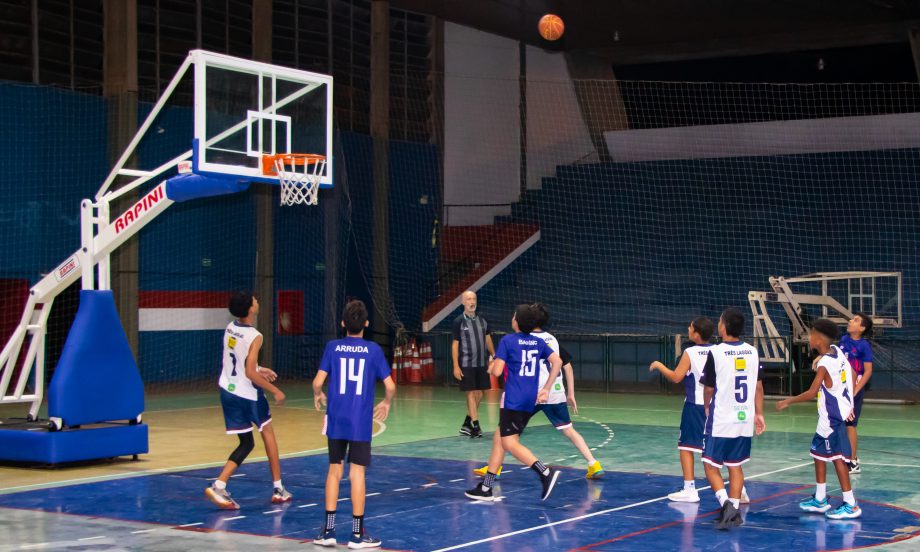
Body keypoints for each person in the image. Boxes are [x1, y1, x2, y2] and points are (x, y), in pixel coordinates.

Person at [472, 303, 603, 480]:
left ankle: (496, 469)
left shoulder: (519, 340)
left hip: (531, 393)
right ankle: (593, 463)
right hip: (555, 392)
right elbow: (567, 366)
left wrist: (492, 366)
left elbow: (499, 369)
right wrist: (570, 393)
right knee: (568, 430)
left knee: (505, 433)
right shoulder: (550, 339)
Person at [313, 300, 396, 549]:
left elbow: (318, 382)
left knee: (334, 471)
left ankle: (328, 531)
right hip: (360, 422)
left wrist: (318, 394)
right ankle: (357, 535)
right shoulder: (373, 350)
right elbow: (390, 386)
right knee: (357, 473)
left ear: (342, 323)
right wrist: (386, 403)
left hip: (336, 419)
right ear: (366, 324)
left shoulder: (332, 347)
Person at [465, 304, 564, 502]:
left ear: (516, 322)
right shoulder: (537, 342)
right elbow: (558, 362)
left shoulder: (508, 341)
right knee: (499, 440)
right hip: (530, 399)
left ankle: (545, 473)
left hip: (514, 400)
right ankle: (486, 487)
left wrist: (492, 367)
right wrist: (546, 388)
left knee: (509, 442)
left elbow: (498, 372)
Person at [650, 316, 751, 503]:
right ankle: (740, 490)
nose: (688, 330)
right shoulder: (719, 350)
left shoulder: (690, 352)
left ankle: (689, 489)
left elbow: (676, 377)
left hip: (696, 405)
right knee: (721, 450)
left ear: (696, 334)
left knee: (686, 446)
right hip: (719, 407)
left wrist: (659, 366)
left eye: (690, 328)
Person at [205, 292, 291, 509]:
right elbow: (250, 373)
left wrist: (260, 369)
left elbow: (237, 360)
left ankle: (219, 484)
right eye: (255, 300)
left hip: (228, 390)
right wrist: (275, 390)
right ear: (251, 309)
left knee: (246, 442)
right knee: (268, 434)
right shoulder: (255, 335)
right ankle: (278, 488)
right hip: (247, 394)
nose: (257, 300)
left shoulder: (230, 328)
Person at [777, 318, 861, 519]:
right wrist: (849, 400)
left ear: (818, 338)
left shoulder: (825, 362)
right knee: (818, 454)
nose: (809, 337)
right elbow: (852, 372)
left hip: (832, 418)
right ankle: (821, 498)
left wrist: (788, 401)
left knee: (838, 459)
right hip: (830, 415)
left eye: (811, 334)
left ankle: (851, 503)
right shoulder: (836, 350)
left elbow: (811, 392)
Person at [700, 308, 766, 530]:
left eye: (720, 321)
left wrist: (707, 406)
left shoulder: (716, 352)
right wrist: (759, 413)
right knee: (735, 466)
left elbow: (708, 389)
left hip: (721, 419)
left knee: (710, 465)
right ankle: (734, 510)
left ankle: (726, 504)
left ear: (724, 326)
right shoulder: (752, 351)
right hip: (743, 418)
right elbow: (758, 386)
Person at [452, 290, 495, 438]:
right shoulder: (458, 321)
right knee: (471, 392)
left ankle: (466, 423)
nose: (472, 302)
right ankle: (476, 426)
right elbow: (455, 345)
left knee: (480, 393)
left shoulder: (483, 320)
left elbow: (488, 339)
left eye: (474, 299)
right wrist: (456, 366)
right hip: (466, 363)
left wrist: (494, 355)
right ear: (463, 302)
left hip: (482, 362)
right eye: (469, 299)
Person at [838, 313, 873, 474]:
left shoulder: (864, 345)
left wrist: (856, 390)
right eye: (852, 319)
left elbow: (868, 371)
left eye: (855, 320)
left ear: (862, 328)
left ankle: (853, 462)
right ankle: (848, 456)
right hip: (842, 387)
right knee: (842, 423)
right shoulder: (844, 339)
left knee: (850, 424)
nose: (851, 321)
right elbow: (837, 356)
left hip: (854, 389)